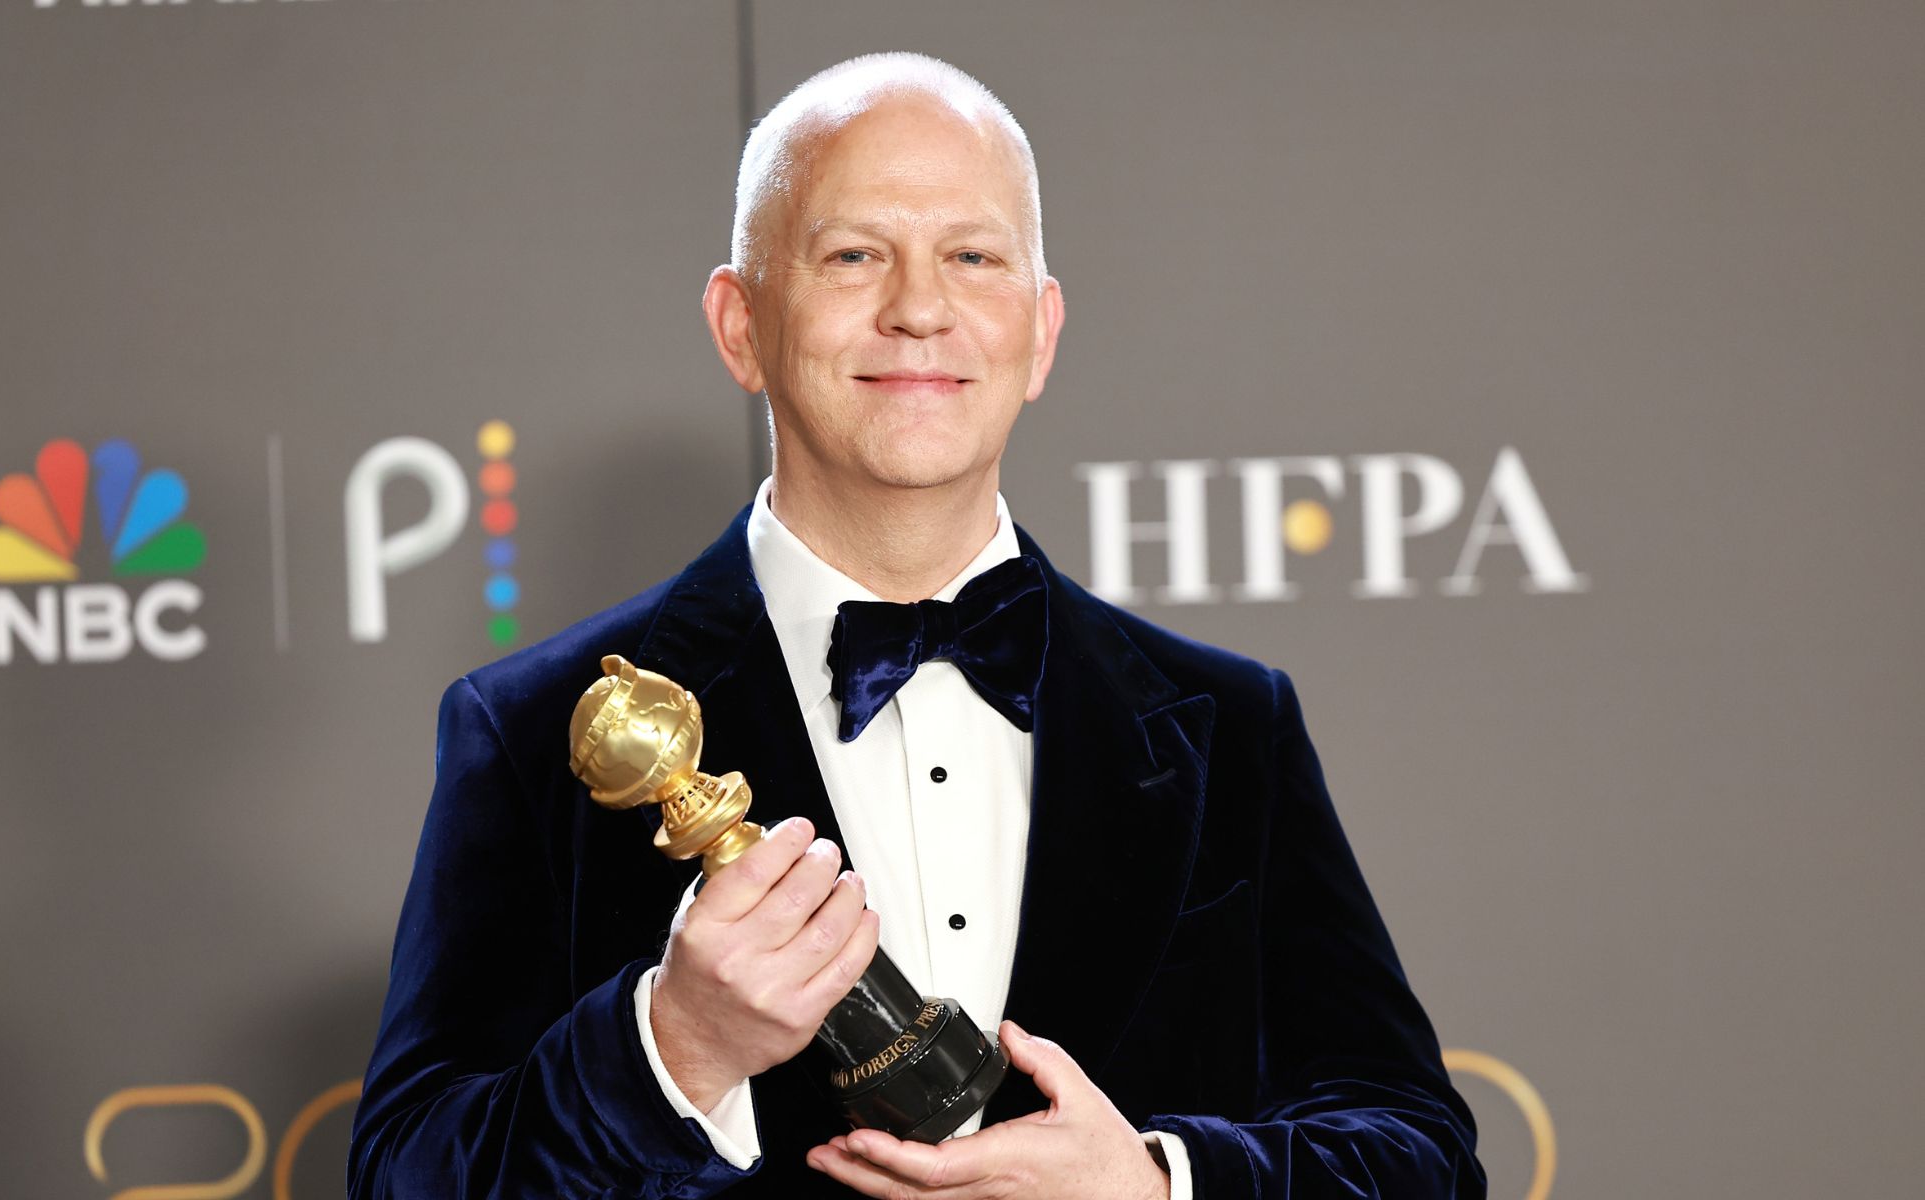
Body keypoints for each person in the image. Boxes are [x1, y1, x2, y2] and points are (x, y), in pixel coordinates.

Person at [348, 52, 1484, 1200]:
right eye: (852, 256)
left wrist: (1156, 1185)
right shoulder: (539, 730)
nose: (920, 309)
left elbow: (1419, 1156)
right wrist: (672, 1050)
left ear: (1039, 334)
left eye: (972, 257)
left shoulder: (1231, 724)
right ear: (741, 325)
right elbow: (408, 1177)